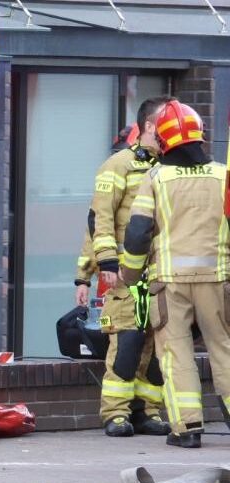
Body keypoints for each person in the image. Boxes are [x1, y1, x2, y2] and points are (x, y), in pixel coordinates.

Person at [120, 99, 230, 449]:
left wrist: (129, 273)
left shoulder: (156, 177)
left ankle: (188, 428)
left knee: (177, 352)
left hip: (169, 284)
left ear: (164, 142)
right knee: (224, 348)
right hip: (217, 277)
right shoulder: (223, 175)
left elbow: (138, 232)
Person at [84, 99, 174, 438]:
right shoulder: (118, 165)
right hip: (126, 270)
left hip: (161, 272)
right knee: (127, 343)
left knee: (154, 348)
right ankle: (115, 414)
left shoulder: (167, 165)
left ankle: (146, 412)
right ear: (150, 126)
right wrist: (105, 261)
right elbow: (99, 217)